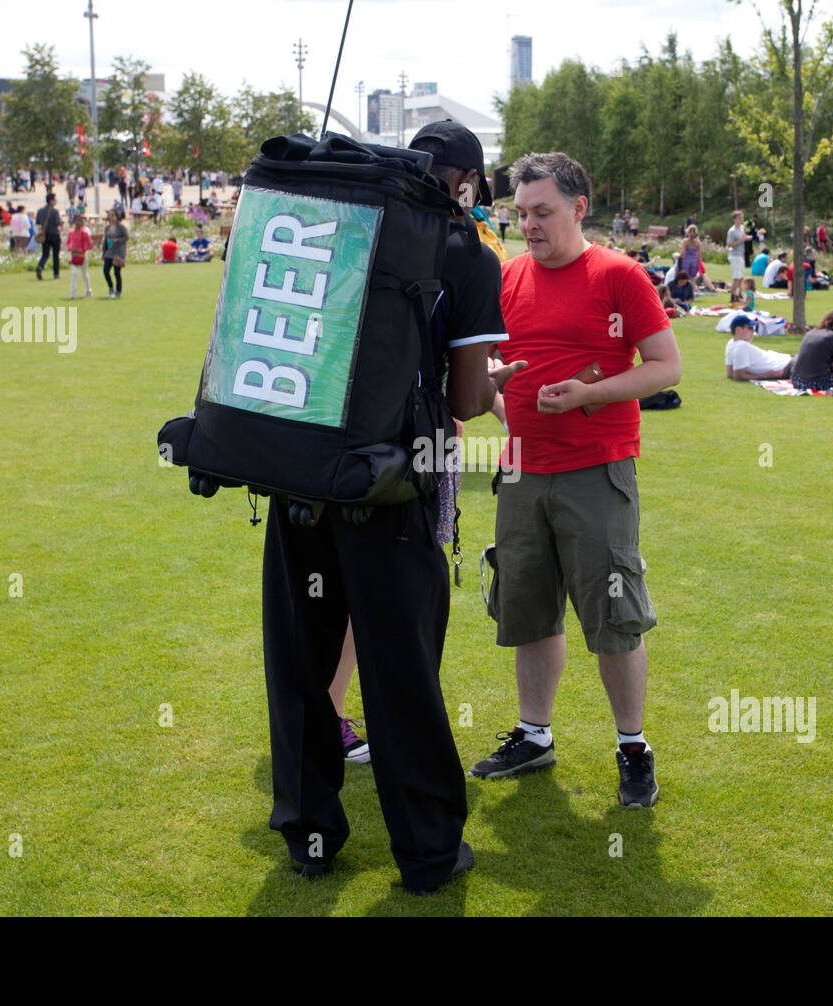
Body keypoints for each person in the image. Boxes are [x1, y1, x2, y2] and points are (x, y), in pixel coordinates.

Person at [253, 120, 513, 894]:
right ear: (464, 180)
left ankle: (309, 837)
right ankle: (429, 852)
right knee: (401, 673)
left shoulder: (331, 224)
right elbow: (467, 394)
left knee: (302, 664)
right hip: (395, 484)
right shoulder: (465, 249)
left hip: (299, 471)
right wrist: (498, 382)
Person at [468, 151, 681, 810]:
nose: (529, 225)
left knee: (614, 617)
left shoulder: (619, 275)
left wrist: (591, 395)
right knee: (526, 609)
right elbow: (485, 377)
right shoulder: (506, 278)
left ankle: (632, 747)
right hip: (524, 473)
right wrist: (500, 398)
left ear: (579, 207)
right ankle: (535, 735)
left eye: (543, 212)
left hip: (597, 473)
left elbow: (665, 367)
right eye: (521, 213)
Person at [725, 315, 792, 380]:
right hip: (785, 365)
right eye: (750, 328)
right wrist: (767, 376)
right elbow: (738, 376)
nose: (753, 331)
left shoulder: (731, 343)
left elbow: (730, 374)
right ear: (738, 329)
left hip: (785, 361)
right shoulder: (741, 346)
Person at [66, 213, 94, 299]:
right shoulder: (71, 232)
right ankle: (72, 294)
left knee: (84, 273)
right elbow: (68, 242)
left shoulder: (84, 233)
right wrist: (70, 248)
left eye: (80, 220)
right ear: (74, 221)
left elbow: (90, 245)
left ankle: (89, 290)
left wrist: (82, 250)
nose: (79, 222)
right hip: (74, 256)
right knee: (74, 273)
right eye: (77, 220)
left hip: (82, 256)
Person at [35, 193, 63, 281]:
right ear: (51, 200)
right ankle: (56, 273)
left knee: (45, 254)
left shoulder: (40, 211)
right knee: (55, 255)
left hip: (45, 234)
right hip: (54, 234)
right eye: (55, 200)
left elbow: (38, 222)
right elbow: (57, 222)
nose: (56, 201)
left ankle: (40, 266)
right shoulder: (55, 211)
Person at [101, 208, 127, 299]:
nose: (111, 217)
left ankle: (118, 291)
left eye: (113, 215)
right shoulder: (107, 228)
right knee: (105, 271)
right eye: (110, 215)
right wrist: (103, 252)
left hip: (118, 252)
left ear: (116, 217)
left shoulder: (121, 227)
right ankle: (111, 287)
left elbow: (126, 238)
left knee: (117, 272)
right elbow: (106, 240)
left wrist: (117, 240)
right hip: (109, 251)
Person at [726, 210, 747, 300]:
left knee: (741, 277)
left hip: (741, 254)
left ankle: (738, 294)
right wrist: (740, 241)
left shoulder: (742, 228)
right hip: (735, 255)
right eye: (739, 218)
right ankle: (732, 296)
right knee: (736, 277)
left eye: (742, 218)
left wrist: (747, 238)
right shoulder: (732, 231)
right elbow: (729, 244)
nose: (741, 220)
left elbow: (743, 237)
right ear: (734, 219)